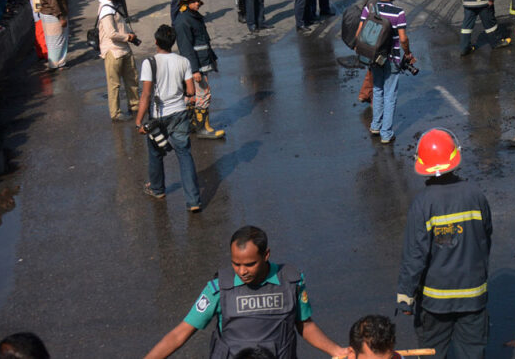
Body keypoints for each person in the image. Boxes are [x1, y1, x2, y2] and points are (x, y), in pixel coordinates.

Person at [142, 225, 347, 359]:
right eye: (236, 264)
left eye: (249, 264)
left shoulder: (292, 282)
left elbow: (305, 325)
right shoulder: (218, 289)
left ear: (266, 255)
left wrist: (336, 351)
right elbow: (180, 333)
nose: (242, 271)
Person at [397, 128, 492, 359]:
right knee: (473, 353)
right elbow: (485, 239)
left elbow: (415, 256)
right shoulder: (476, 195)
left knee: (432, 353)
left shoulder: (422, 205)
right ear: (455, 157)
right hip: (473, 295)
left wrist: (405, 297)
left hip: (436, 302)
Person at [135, 24, 202, 212]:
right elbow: (190, 90)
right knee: (184, 154)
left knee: (156, 152)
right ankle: (193, 201)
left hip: (158, 117)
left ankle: (158, 189)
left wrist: (139, 121)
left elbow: (146, 95)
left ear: (156, 42)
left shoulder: (149, 63)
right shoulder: (183, 61)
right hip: (180, 113)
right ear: (173, 42)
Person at [358, 0, 411, 144]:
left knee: (378, 89)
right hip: (392, 59)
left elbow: (360, 32)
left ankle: (375, 125)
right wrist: (408, 53)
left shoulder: (370, 9)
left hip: (374, 57)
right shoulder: (398, 12)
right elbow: (403, 39)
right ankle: (386, 133)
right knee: (390, 95)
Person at [173, 0, 226, 139]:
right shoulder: (183, 22)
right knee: (203, 95)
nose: (198, 3)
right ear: (186, 2)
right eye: (194, 1)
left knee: (194, 97)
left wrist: (212, 56)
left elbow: (204, 39)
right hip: (196, 66)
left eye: (198, 0)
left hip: (202, 61)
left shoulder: (194, 16)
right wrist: (194, 70)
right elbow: (186, 49)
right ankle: (203, 128)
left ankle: (192, 125)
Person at [97, 0, 139, 122]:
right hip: (113, 51)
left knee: (132, 78)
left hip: (124, 49)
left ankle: (134, 105)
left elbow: (121, 26)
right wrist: (128, 37)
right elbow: (111, 34)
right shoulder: (105, 10)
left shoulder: (114, 5)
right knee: (114, 85)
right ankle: (115, 113)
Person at [33, 0, 68, 70]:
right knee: (58, 40)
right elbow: (53, 2)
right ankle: (58, 63)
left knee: (51, 40)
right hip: (53, 15)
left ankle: (55, 62)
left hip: (46, 14)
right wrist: (60, 17)